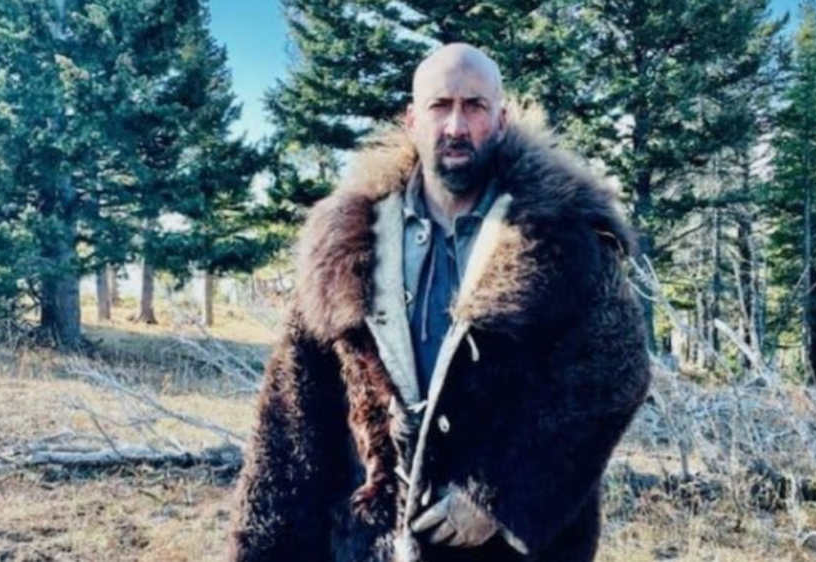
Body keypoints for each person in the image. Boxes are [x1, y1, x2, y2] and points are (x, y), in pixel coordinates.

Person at [229, 43, 651, 562]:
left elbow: (614, 373)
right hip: (368, 544)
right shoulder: (344, 246)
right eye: (440, 105)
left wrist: (498, 494)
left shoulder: (563, 237)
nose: (456, 125)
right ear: (412, 120)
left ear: (501, 119)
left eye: (474, 106)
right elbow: (291, 416)